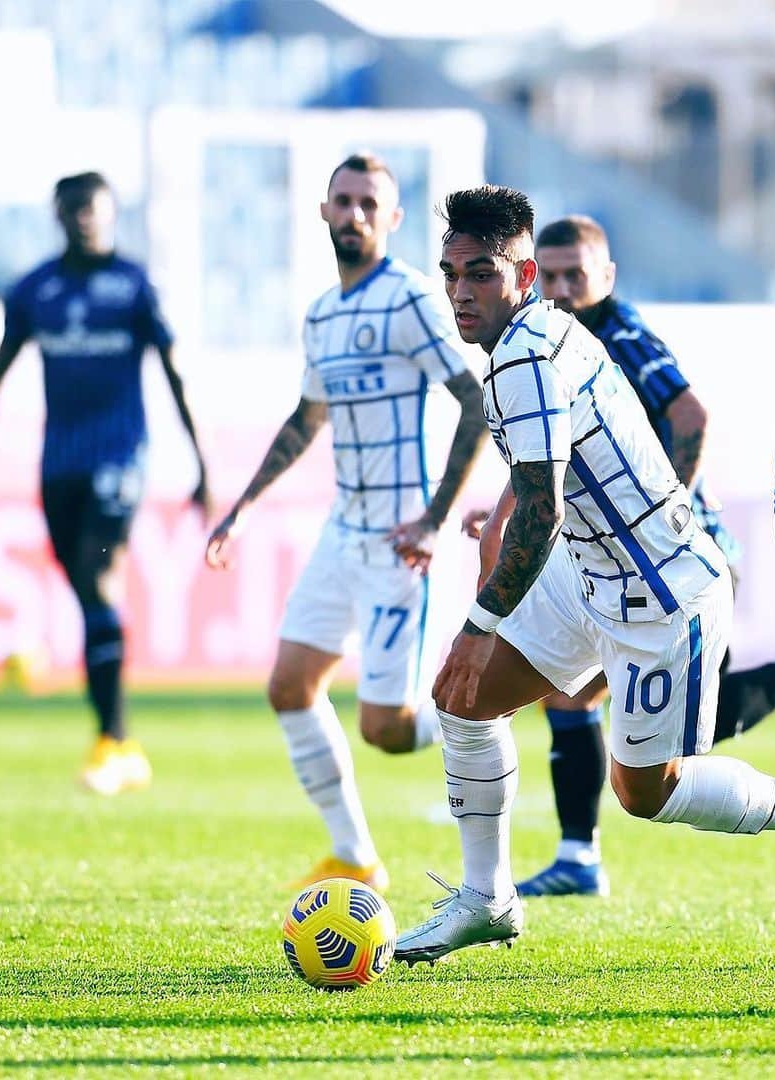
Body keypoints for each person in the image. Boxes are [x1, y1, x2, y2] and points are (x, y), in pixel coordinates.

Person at [394, 185, 775, 965]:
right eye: (450, 273)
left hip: (662, 596)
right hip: (592, 574)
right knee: (463, 698)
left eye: (480, 273)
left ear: (523, 278)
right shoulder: (544, 331)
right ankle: (486, 899)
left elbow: (542, 509)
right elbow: (538, 487)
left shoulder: (524, 355)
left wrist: (478, 626)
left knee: (644, 792)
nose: (460, 292)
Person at [205, 153, 487, 893]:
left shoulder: (412, 300)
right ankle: (355, 853)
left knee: (387, 731)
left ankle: (498, 711)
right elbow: (309, 417)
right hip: (342, 531)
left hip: (401, 541)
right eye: (344, 201)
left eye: (370, 203)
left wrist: (433, 518)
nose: (355, 214)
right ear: (324, 212)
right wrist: (243, 506)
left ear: (392, 219)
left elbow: (474, 401)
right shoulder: (322, 315)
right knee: (290, 687)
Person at [0, 171, 210, 795]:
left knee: (99, 580)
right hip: (58, 464)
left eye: (95, 209)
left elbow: (174, 371)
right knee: (86, 594)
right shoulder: (34, 290)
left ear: (110, 215)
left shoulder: (133, 285)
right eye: (75, 209)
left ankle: (113, 739)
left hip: (120, 458)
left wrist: (200, 462)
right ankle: (119, 740)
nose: (86, 219)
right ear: (58, 214)